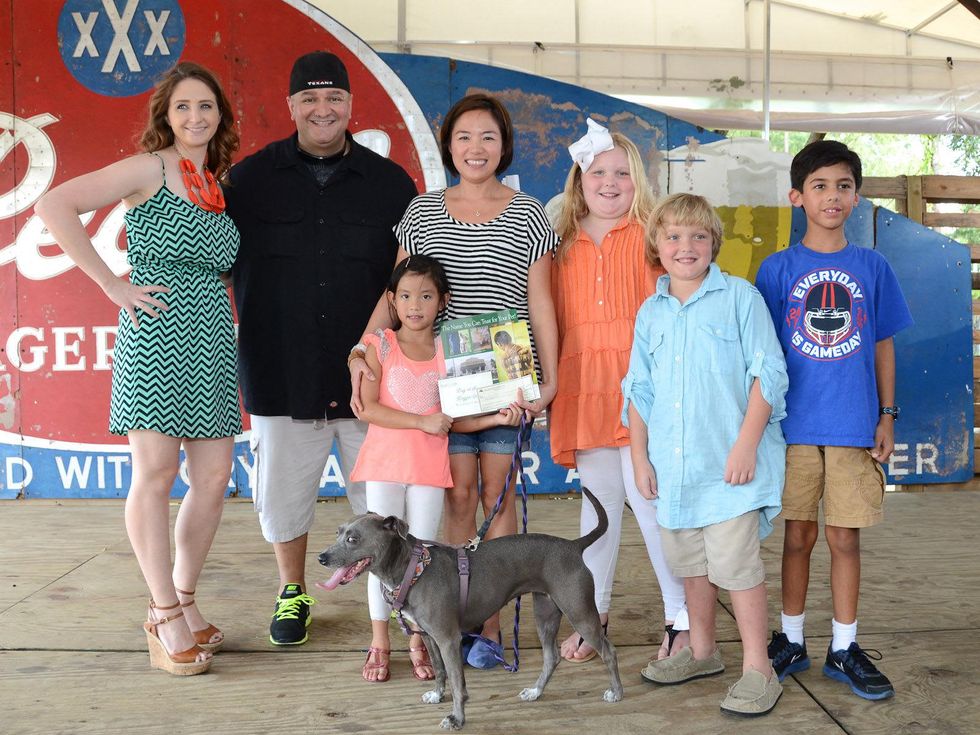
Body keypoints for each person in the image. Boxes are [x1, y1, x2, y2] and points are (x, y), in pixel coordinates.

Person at [36, 62, 241, 675]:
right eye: (183, 107)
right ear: (166, 115)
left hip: (211, 337)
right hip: (155, 335)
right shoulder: (148, 168)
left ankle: (184, 598)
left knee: (212, 478)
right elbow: (54, 204)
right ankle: (161, 611)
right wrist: (109, 284)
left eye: (206, 106)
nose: (195, 117)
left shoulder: (217, 179)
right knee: (155, 472)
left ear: (220, 116)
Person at [349, 93, 560, 668]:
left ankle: (489, 630)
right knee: (459, 498)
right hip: (438, 388)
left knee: (500, 497)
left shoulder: (530, 211)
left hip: (504, 382)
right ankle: (456, 622)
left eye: (488, 137)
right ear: (449, 146)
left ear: (504, 145)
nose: (476, 148)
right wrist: (361, 350)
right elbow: (394, 297)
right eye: (464, 137)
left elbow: (541, 306)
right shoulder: (421, 212)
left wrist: (550, 381)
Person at [225, 51, 418, 647]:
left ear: (351, 105)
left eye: (333, 97)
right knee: (283, 500)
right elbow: (218, 264)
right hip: (282, 373)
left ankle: (399, 605)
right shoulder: (249, 181)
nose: (322, 108)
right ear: (290, 107)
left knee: (384, 506)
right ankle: (292, 591)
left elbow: (406, 279)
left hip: (373, 384)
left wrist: (379, 352)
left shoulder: (391, 185)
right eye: (309, 98)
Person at [755, 140, 912, 700]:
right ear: (797, 196)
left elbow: (883, 346)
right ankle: (791, 638)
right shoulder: (776, 270)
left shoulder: (872, 265)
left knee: (844, 538)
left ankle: (843, 647)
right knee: (796, 536)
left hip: (853, 427)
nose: (832, 196)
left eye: (843, 185)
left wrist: (887, 415)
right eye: (820, 186)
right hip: (792, 428)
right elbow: (763, 355)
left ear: (857, 195)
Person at [624, 193, 787, 716]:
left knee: (737, 567)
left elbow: (769, 372)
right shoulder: (650, 312)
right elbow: (639, 390)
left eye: (697, 236)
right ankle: (702, 651)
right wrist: (640, 458)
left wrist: (745, 445)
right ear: (657, 246)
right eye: (673, 236)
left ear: (714, 244)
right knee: (689, 564)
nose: (685, 246)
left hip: (729, 469)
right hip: (675, 470)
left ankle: (759, 669)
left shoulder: (741, 298)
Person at [549, 120, 689, 664]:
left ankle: (680, 617)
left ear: (639, 181)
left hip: (641, 387)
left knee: (651, 504)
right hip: (583, 386)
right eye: (598, 172)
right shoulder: (559, 244)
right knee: (597, 509)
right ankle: (593, 615)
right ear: (579, 181)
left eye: (622, 174)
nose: (610, 183)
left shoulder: (655, 237)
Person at [349, 254, 522, 682]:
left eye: (426, 296)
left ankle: (417, 642)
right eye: (405, 296)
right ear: (391, 299)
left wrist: (497, 418)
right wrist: (420, 421)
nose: (414, 305)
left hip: (428, 471)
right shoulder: (379, 346)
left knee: (419, 559)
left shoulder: (449, 353)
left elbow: (455, 418)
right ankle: (380, 641)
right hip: (385, 466)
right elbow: (369, 410)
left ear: (442, 301)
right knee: (377, 557)